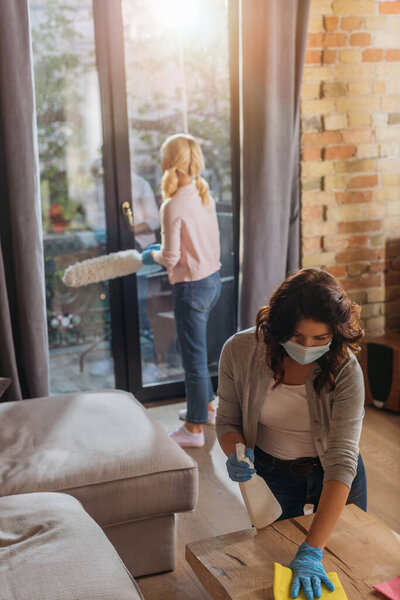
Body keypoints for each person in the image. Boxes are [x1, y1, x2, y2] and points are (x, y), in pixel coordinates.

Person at [216, 268, 366, 600]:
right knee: (276, 573)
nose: (308, 346)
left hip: (337, 478)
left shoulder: (345, 369)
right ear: (278, 328)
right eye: (297, 337)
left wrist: (312, 550)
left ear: (335, 334)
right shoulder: (239, 351)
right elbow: (227, 420)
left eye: (320, 338)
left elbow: (341, 462)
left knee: (350, 573)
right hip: (272, 476)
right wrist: (236, 450)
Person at [142, 133, 221, 447]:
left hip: (191, 288)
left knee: (192, 358)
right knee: (198, 353)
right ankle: (208, 407)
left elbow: (171, 257)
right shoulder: (204, 196)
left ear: (166, 164)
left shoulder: (172, 205)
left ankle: (194, 429)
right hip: (212, 281)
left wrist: (153, 254)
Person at [131, 174, 161, 382]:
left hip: (140, 250)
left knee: (141, 309)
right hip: (113, 248)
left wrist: (128, 229)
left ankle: (150, 363)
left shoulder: (140, 183)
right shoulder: (99, 185)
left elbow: (154, 220)